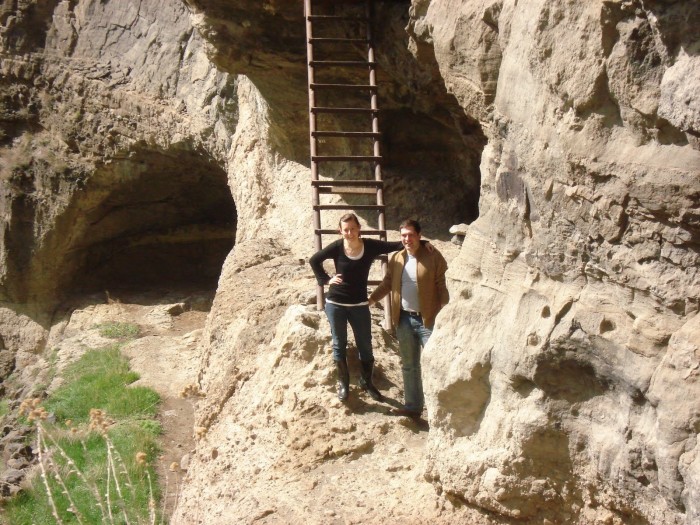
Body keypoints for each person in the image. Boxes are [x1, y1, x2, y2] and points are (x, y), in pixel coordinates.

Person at [309, 213, 431, 403]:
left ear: (359, 228)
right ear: (340, 231)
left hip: (359, 305)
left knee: (365, 346)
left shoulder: (370, 246)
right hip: (336, 304)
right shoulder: (337, 247)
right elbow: (314, 260)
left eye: (352, 229)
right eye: (345, 230)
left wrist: (422, 243)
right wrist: (326, 280)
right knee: (338, 343)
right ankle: (344, 384)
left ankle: (367, 382)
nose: (349, 233)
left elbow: (395, 245)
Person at [369, 219, 449, 418]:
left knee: (435, 364)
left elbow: (442, 284)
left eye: (411, 235)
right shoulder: (396, 258)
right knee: (409, 365)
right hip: (404, 319)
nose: (407, 239)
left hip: (428, 320)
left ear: (419, 236)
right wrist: (370, 299)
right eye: (403, 235)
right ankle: (413, 407)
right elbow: (387, 284)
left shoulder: (433, 255)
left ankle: (439, 410)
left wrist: (447, 310)